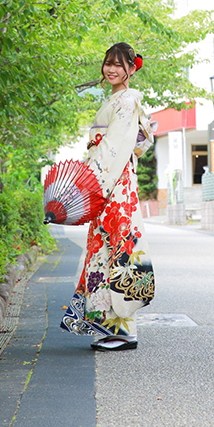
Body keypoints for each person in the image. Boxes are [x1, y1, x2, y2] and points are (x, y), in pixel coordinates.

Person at [60, 42, 156, 351]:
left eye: (118, 64)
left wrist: (93, 182)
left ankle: (124, 331)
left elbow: (113, 146)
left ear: (132, 68)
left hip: (113, 182)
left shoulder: (126, 101)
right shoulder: (120, 100)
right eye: (108, 63)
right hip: (115, 180)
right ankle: (114, 327)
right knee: (107, 247)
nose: (111, 69)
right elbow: (136, 142)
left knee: (114, 247)